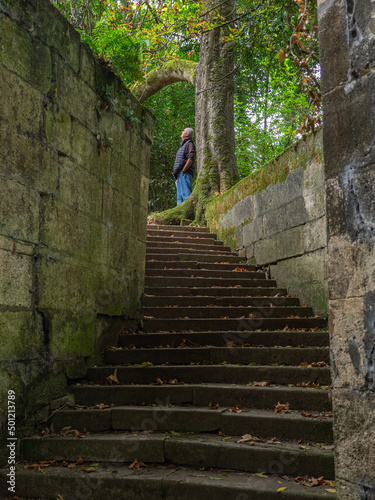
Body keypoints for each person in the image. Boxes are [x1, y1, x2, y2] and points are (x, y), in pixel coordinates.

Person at [172, 128, 196, 205]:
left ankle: (190, 216)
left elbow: (191, 158)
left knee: (186, 196)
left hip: (185, 174)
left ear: (187, 134)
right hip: (180, 174)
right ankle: (180, 216)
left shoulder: (189, 144)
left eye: (184, 131)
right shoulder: (183, 145)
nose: (182, 132)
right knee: (179, 198)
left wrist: (183, 171)